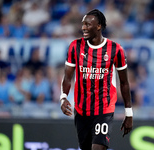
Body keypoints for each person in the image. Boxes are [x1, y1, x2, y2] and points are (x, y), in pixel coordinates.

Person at [60, 9, 133, 150]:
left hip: (104, 109)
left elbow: (124, 83)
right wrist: (63, 97)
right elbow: (67, 77)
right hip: (81, 110)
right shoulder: (75, 47)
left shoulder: (115, 49)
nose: (83, 28)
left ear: (99, 26)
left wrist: (128, 113)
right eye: (83, 24)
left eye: (88, 24)